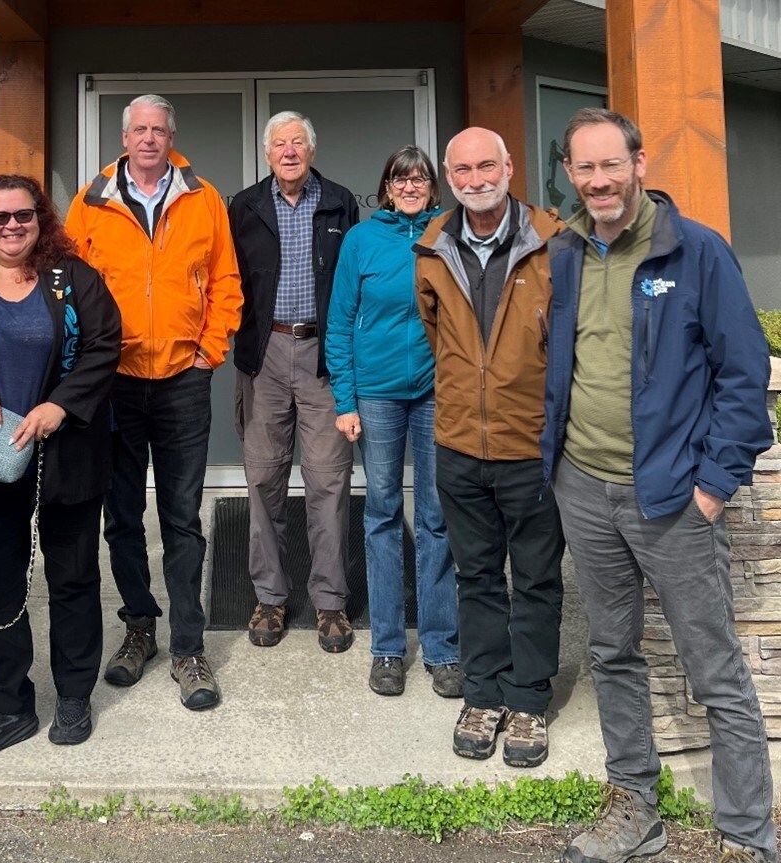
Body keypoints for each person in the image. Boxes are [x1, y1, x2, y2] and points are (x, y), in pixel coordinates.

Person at [543, 108, 777, 863]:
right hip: (585, 487)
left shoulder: (696, 251)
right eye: (585, 168)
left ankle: (747, 831)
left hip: (674, 498)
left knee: (714, 665)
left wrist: (712, 486)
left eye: (612, 164)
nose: (600, 180)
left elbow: (746, 378)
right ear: (570, 175)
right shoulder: (567, 252)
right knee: (612, 651)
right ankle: (634, 808)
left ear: (638, 163)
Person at [0, 175, 121, 762]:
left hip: (66, 452)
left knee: (72, 577)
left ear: (41, 219)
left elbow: (104, 346)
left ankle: (72, 695)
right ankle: (9, 703)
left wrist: (58, 406)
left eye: (24, 215)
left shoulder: (72, 279)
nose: (12, 226)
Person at [65, 95, 241, 710]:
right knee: (122, 516)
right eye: (139, 129)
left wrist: (209, 350)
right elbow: (67, 289)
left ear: (172, 137)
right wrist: (85, 362)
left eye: (159, 130)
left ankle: (189, 645)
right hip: (111, 380)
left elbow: (225, 280)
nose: (148, 139)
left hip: (181, 379)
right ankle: (139, 625)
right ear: (124, 136)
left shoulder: (203, 198)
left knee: (182, 516)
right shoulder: (90, 202)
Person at [414, 127, 565, 768]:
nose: (476, 179)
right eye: (463, 170)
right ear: (450, 178)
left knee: (534, 577)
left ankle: (528, 699)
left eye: (487, 166)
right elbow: (436, 332)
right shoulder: (430, 250)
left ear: (509, 166)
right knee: (475, 576)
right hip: (457, 446)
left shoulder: (553, 246)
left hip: (528, 444)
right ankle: (483, 692)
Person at [325, 145, 460, 697]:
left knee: (435, 519)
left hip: (434, 394)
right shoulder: (361, 240)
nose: (410, 187)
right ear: (386, 187)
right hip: (376, 394)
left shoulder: (448, 237)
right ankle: (386, 648)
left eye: (420, 179)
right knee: (382, 512)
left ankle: (443, 648)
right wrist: (345, 401)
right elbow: (339, 322)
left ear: (432, 187)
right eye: (400, 179)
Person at [228, 111, 359, 652]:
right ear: (267, 154)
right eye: (279, 144)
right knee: (263, 479)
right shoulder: (245, 206)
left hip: (324, 354)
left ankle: (331, 603)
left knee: (329, 481)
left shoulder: (340, 202)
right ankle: (270, 596)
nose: (288, 152)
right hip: (265, 354)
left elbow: (354, 283)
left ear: (311, 150)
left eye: (297, 143)